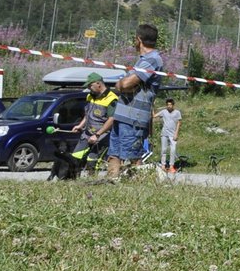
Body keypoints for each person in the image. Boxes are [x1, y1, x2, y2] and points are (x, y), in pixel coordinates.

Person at [108, 24, 164, 183]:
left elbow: (125, 85)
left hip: (134, 117)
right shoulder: (142, 61)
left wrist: (121, 84)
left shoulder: (153, 59)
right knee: (114, 153)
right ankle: (111, 184)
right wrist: (122, 84)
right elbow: (124, 85)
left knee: (133, 156)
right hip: (121, 115)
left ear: (139, 40)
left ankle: (139, 186)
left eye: (135, 38)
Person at [70, 72, 117, 174]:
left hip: (101, 136)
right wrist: (80, 126)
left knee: (92, 163)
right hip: (86, 134)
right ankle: (72, 182)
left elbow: (111, 120)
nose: (88, 88)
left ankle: (92, 184)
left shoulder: (111, 98)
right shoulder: (90, 96)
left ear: (98, 84)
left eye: (90, 85)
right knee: (74, 158)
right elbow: (88, 115)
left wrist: (97, 135)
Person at [157, 96, 182, 172]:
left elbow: (179, 123)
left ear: (173, 105)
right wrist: (151, 107)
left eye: (170, 105)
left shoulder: (177, 112)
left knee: (173, 150)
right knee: (164, 149)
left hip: (173, 134)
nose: (169, 106)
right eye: (168, 105)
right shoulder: (164, 111)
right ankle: (163, 165)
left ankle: (171, 166)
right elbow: (154, 115)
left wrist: (176, 134)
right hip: (164, 133)